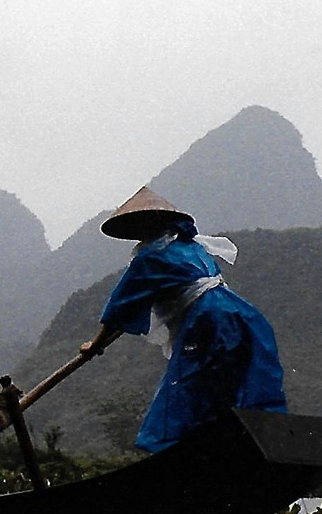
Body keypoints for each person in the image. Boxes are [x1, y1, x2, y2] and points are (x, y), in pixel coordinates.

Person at [79, 187, 287, 453]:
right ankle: (234, 445)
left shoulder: (150, 257)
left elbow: (120, 308)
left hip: (207, 320)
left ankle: (182, 451)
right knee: (231, 382)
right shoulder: (194, 248)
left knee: (188, 386)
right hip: (242, 316)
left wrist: (95, 344)